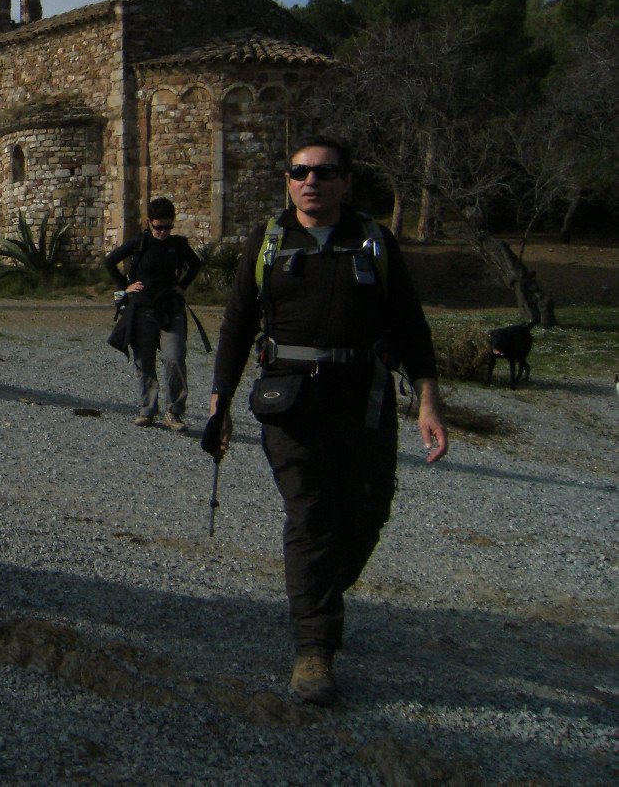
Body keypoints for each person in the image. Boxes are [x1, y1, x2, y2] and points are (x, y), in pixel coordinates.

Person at [203, 138, 448, 706]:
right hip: (288, 402)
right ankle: (314, 649)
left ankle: (316, 596)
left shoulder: (374, 240)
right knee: (311, 513)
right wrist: (220, 403)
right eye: (299, 172)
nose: (310, 181)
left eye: (324, 173)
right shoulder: (267, 241)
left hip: (365, 398)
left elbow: (411, 325)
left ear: (345, 182)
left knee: (365, 511)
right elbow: (238, 324)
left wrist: (429, 401)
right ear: (288, 181)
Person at [103, 197, 201, 430]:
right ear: (149, 223)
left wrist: (183, 285)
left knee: (175, 356)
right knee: (144, 359)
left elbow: (195, 264)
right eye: (159, 227)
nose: (164, 232)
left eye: (168, 227)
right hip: (143, 307)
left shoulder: (177, 244)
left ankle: (174, 412)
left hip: (171, 307)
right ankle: (147, 409)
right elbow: (110, 261)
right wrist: (124, 287)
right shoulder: (140, 242)